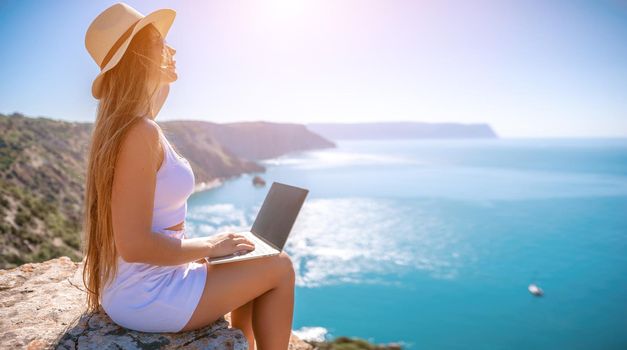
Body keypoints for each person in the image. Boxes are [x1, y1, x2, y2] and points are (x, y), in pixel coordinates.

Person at [81, 3, 295, 349]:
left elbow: (147, 231)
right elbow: (134, 245)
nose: (173, 49)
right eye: (159, 42)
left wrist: (212, 249)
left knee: (247, 256)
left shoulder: (135, 128)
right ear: (139, 57)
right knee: (280, 267)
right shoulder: (139, 133)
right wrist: (209, 246)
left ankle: (245, 342)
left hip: (142, 286)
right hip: (149, 296)